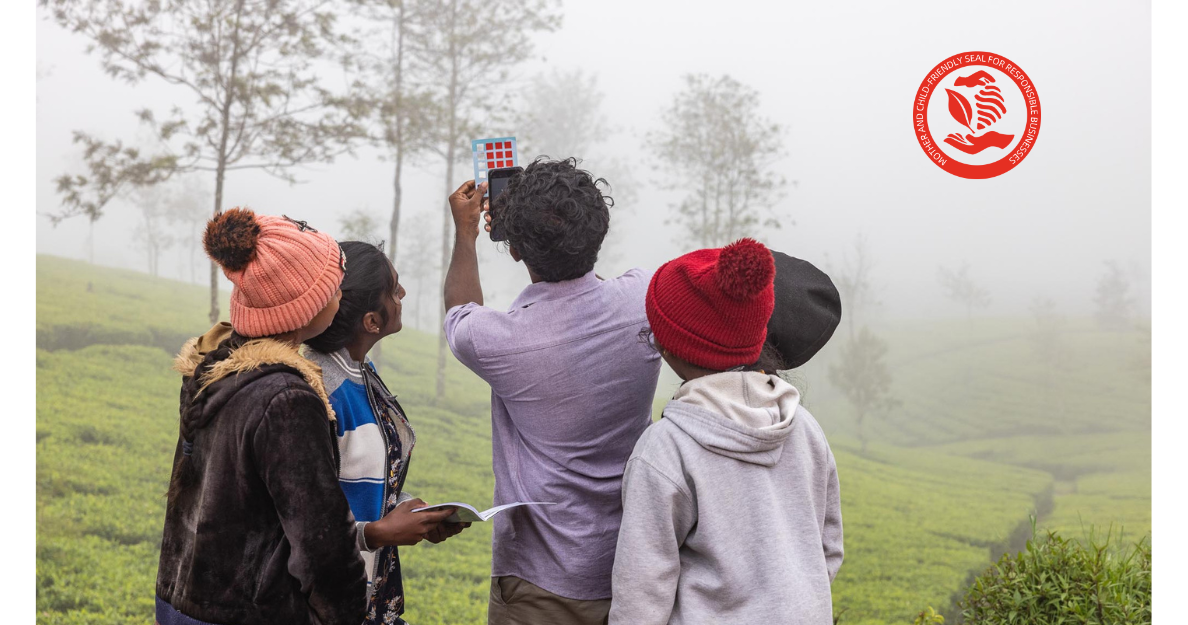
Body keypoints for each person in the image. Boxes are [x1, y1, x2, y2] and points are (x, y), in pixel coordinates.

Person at [442, 158, 662, 624]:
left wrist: (466, 235)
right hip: (636, 573)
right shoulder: (646, 299)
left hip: (538, 585)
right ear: (598, 231)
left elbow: (460, 311)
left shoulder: (498, 341)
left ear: (516, 251)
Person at [609, 238, 844, 625]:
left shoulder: (665, 450)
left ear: (670, 348)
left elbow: (642, 592)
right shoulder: (804, 426)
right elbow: (828, 548)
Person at [157, 209, 367, 625]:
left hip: (181, 600)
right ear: (303, 309)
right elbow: (322, 543)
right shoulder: (287, 399)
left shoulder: (217, 368)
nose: (340, 294)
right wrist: (347, 613)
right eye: (332, 288)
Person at [304, 241, 469, 625]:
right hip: (324, 603)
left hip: (368, 591)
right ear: (371, 322)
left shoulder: (361, 372)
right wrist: (377, 533)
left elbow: (360, 479)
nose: (403, 294)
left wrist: (412, 512)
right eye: (394, 290)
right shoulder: (316, 390)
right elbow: (299, 522)